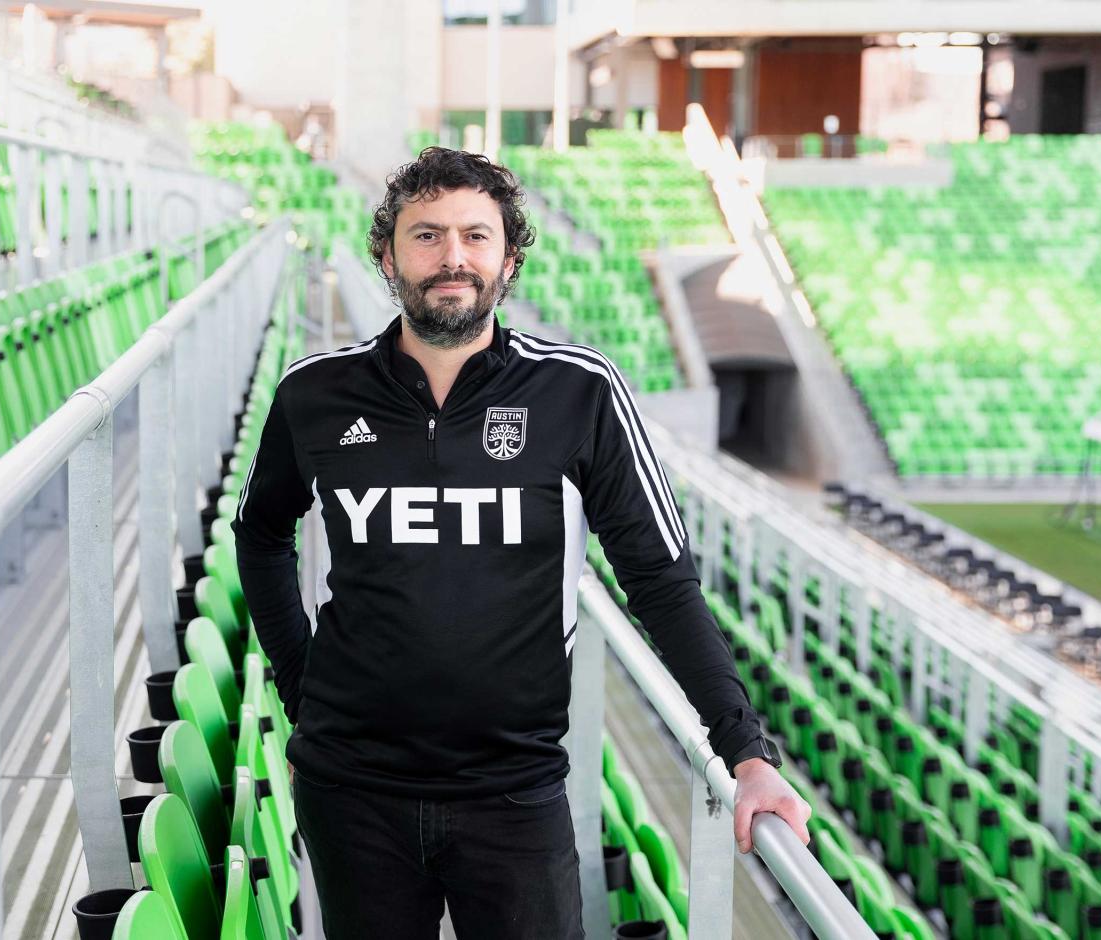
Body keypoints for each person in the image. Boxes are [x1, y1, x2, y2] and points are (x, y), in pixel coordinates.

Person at [232, 147, 809, 939]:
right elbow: (260, 533)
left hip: (514, 794)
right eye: (427, 235)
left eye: (476, 235)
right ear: (387, 254)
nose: (453, 258)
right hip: (351, 790)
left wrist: (747, 753)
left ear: (510, 258)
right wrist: (302, 688)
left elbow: (661, 580)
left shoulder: (580, 392)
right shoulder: (316, 394)